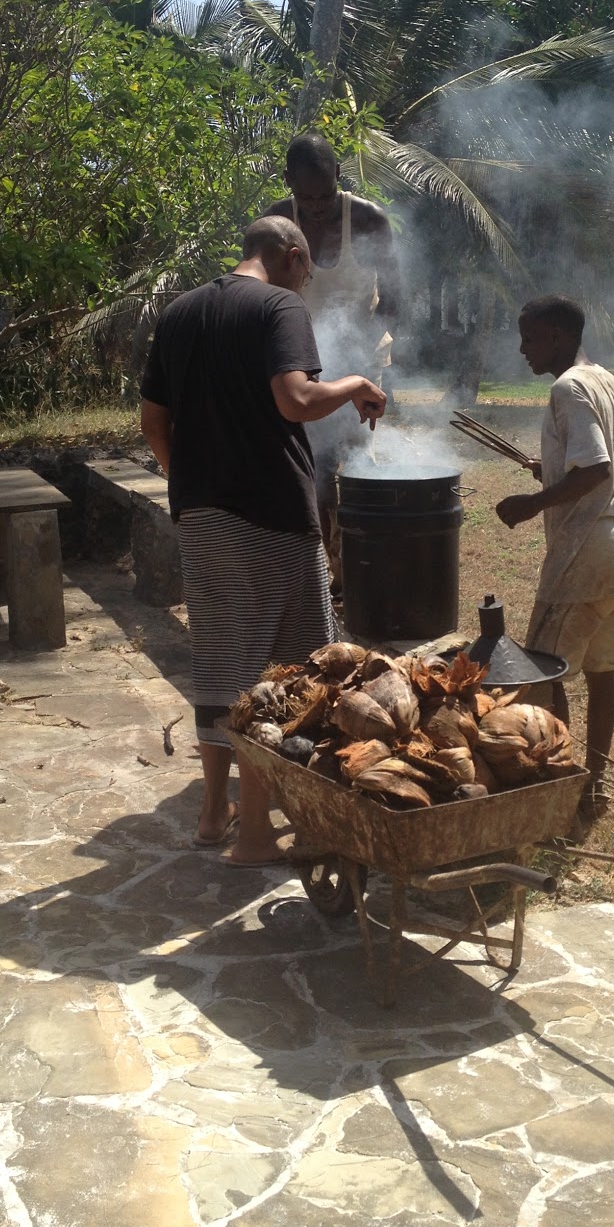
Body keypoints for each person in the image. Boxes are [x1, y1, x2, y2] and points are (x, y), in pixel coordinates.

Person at [140, 216, 387, 865]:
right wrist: (358, 385)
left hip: (203, 518)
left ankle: (213, 814)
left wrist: (192, 483)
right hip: (272, 518)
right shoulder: (279, 305)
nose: (305, 284)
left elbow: (152, 421)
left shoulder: (181, 313)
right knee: (282, 670)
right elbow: (296, 399)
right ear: (293, 256)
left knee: (222, 660)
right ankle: (254, 833)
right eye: (306, 272)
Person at [495, 296, 614, 827]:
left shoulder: (569, 388)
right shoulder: (612, 382)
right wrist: (554, 469)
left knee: (544, 673)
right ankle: (594, 785)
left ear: (557, 336)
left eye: (530, 339)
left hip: (581, 558)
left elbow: (597, 470)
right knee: (601, 674)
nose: (522, 350)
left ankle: (556, 784)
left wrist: (529, 503)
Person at [263, 133, 403, 565]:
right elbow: (261, 296)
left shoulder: (368, 220)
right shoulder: (275, 224)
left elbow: (396, 297)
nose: (316, 205)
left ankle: (364, 560)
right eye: (305, 196)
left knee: (358, 459)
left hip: (360, 359)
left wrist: (364, 349)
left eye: (324, 195)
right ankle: (327, 563)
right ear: (287, 182)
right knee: (314, 463)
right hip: (297, 362)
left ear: (338, 177)